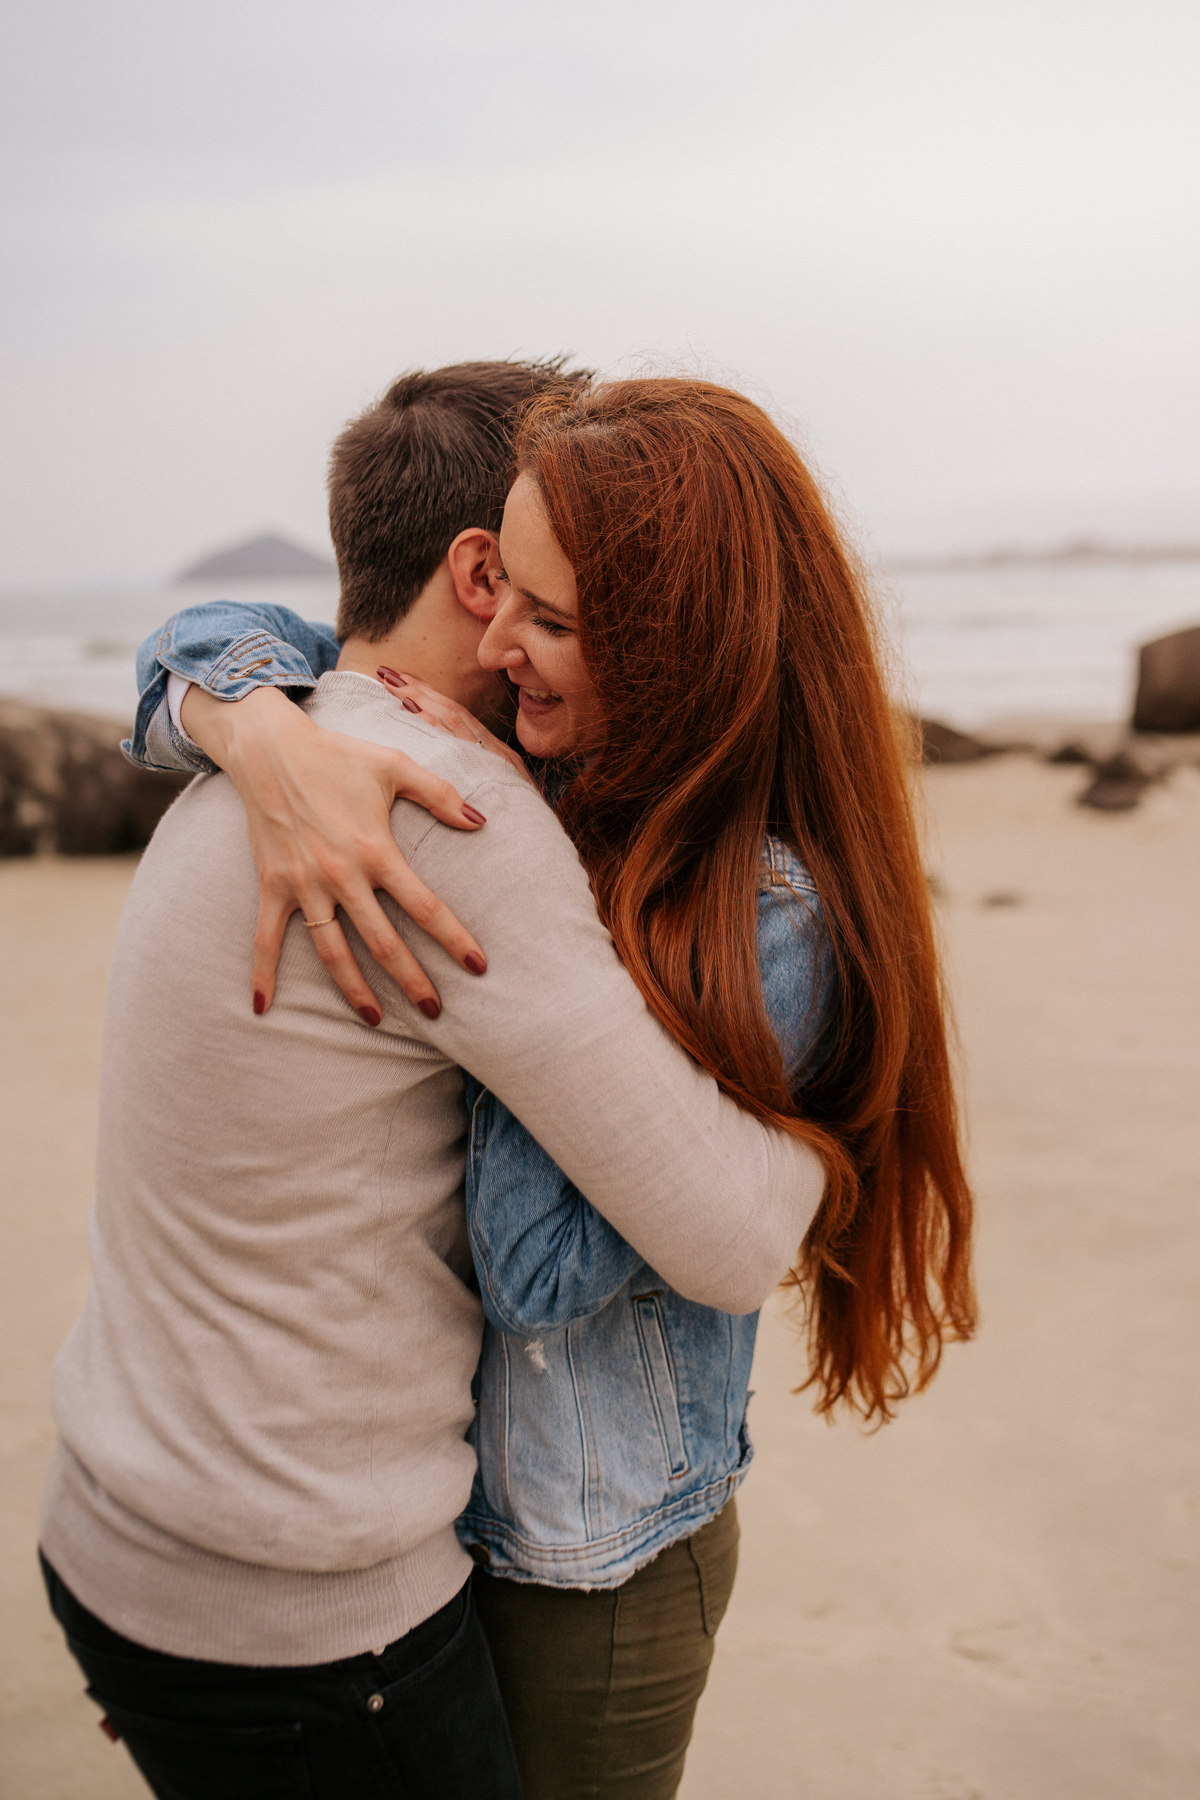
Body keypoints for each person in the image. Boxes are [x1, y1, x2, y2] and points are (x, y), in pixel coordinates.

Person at [126, 374, 976, 1797]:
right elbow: (221, 644)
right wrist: (258, 727)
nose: (499, 645)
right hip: (453, 1531)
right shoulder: (564, 789)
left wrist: (521, 895)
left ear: (673, 643)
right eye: (502, 595)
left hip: (602, 1563)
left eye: (551, 620)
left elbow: (531, 1267)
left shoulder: (764, 913)